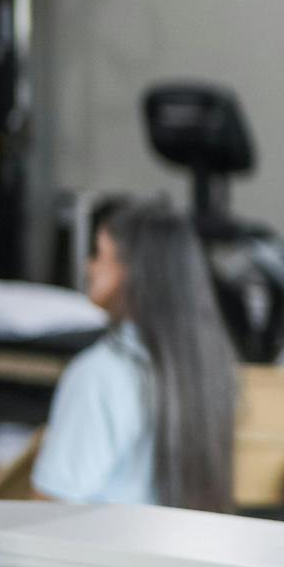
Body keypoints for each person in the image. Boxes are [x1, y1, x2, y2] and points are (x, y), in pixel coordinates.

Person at [31, 200, 240, 509]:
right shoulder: (210, 369)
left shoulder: (99, 374)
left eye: (100, 255)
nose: (89, 267)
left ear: (133, 272)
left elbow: (48, 510)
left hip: (100, 553)